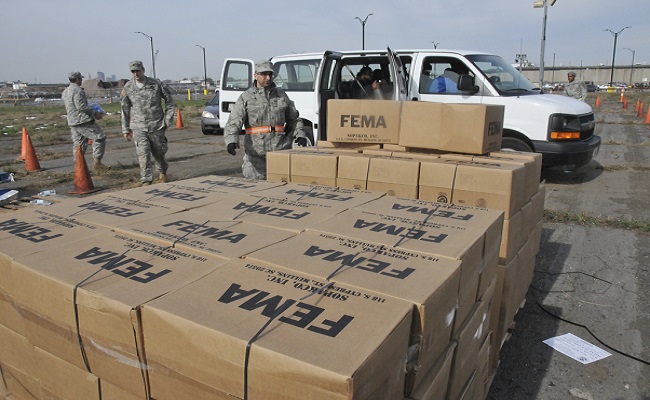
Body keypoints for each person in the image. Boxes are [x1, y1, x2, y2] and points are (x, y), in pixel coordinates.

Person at [224, 60, 308, 180]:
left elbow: (294, 119)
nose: (268, 77)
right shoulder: (246, 97)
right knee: (254, 190)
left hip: (280, 151)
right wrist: (231, 140)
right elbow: (234, 121)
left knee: (281, 188)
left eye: (270, 74)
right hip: (255, 155)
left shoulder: (281, 95)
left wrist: (300, 134)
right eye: (264, 74)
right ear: (256, 75)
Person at [121, 60, 175, 186]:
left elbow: (169, 101)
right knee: (143, 153)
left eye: (137, 71)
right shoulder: (128, 87)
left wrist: (168, 119)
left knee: (159, 153)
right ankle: (146, 180)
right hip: (138, 127)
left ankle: (163, 172)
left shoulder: (156, 84)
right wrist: (125, 128)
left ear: (143, 70)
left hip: (156, 125)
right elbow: (124, 109)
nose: (135, 74)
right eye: (133, 72)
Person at [61, 71, 108, 171]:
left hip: (73, 121)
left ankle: (79, 166)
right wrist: (94, 113)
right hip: (83, 120)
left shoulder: (65, 91)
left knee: (79, 144)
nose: (81, 80)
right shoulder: (77, 91)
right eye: (80, 79)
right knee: (99, 137)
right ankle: (97, 162)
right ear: (77, 79)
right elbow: (81, 106)